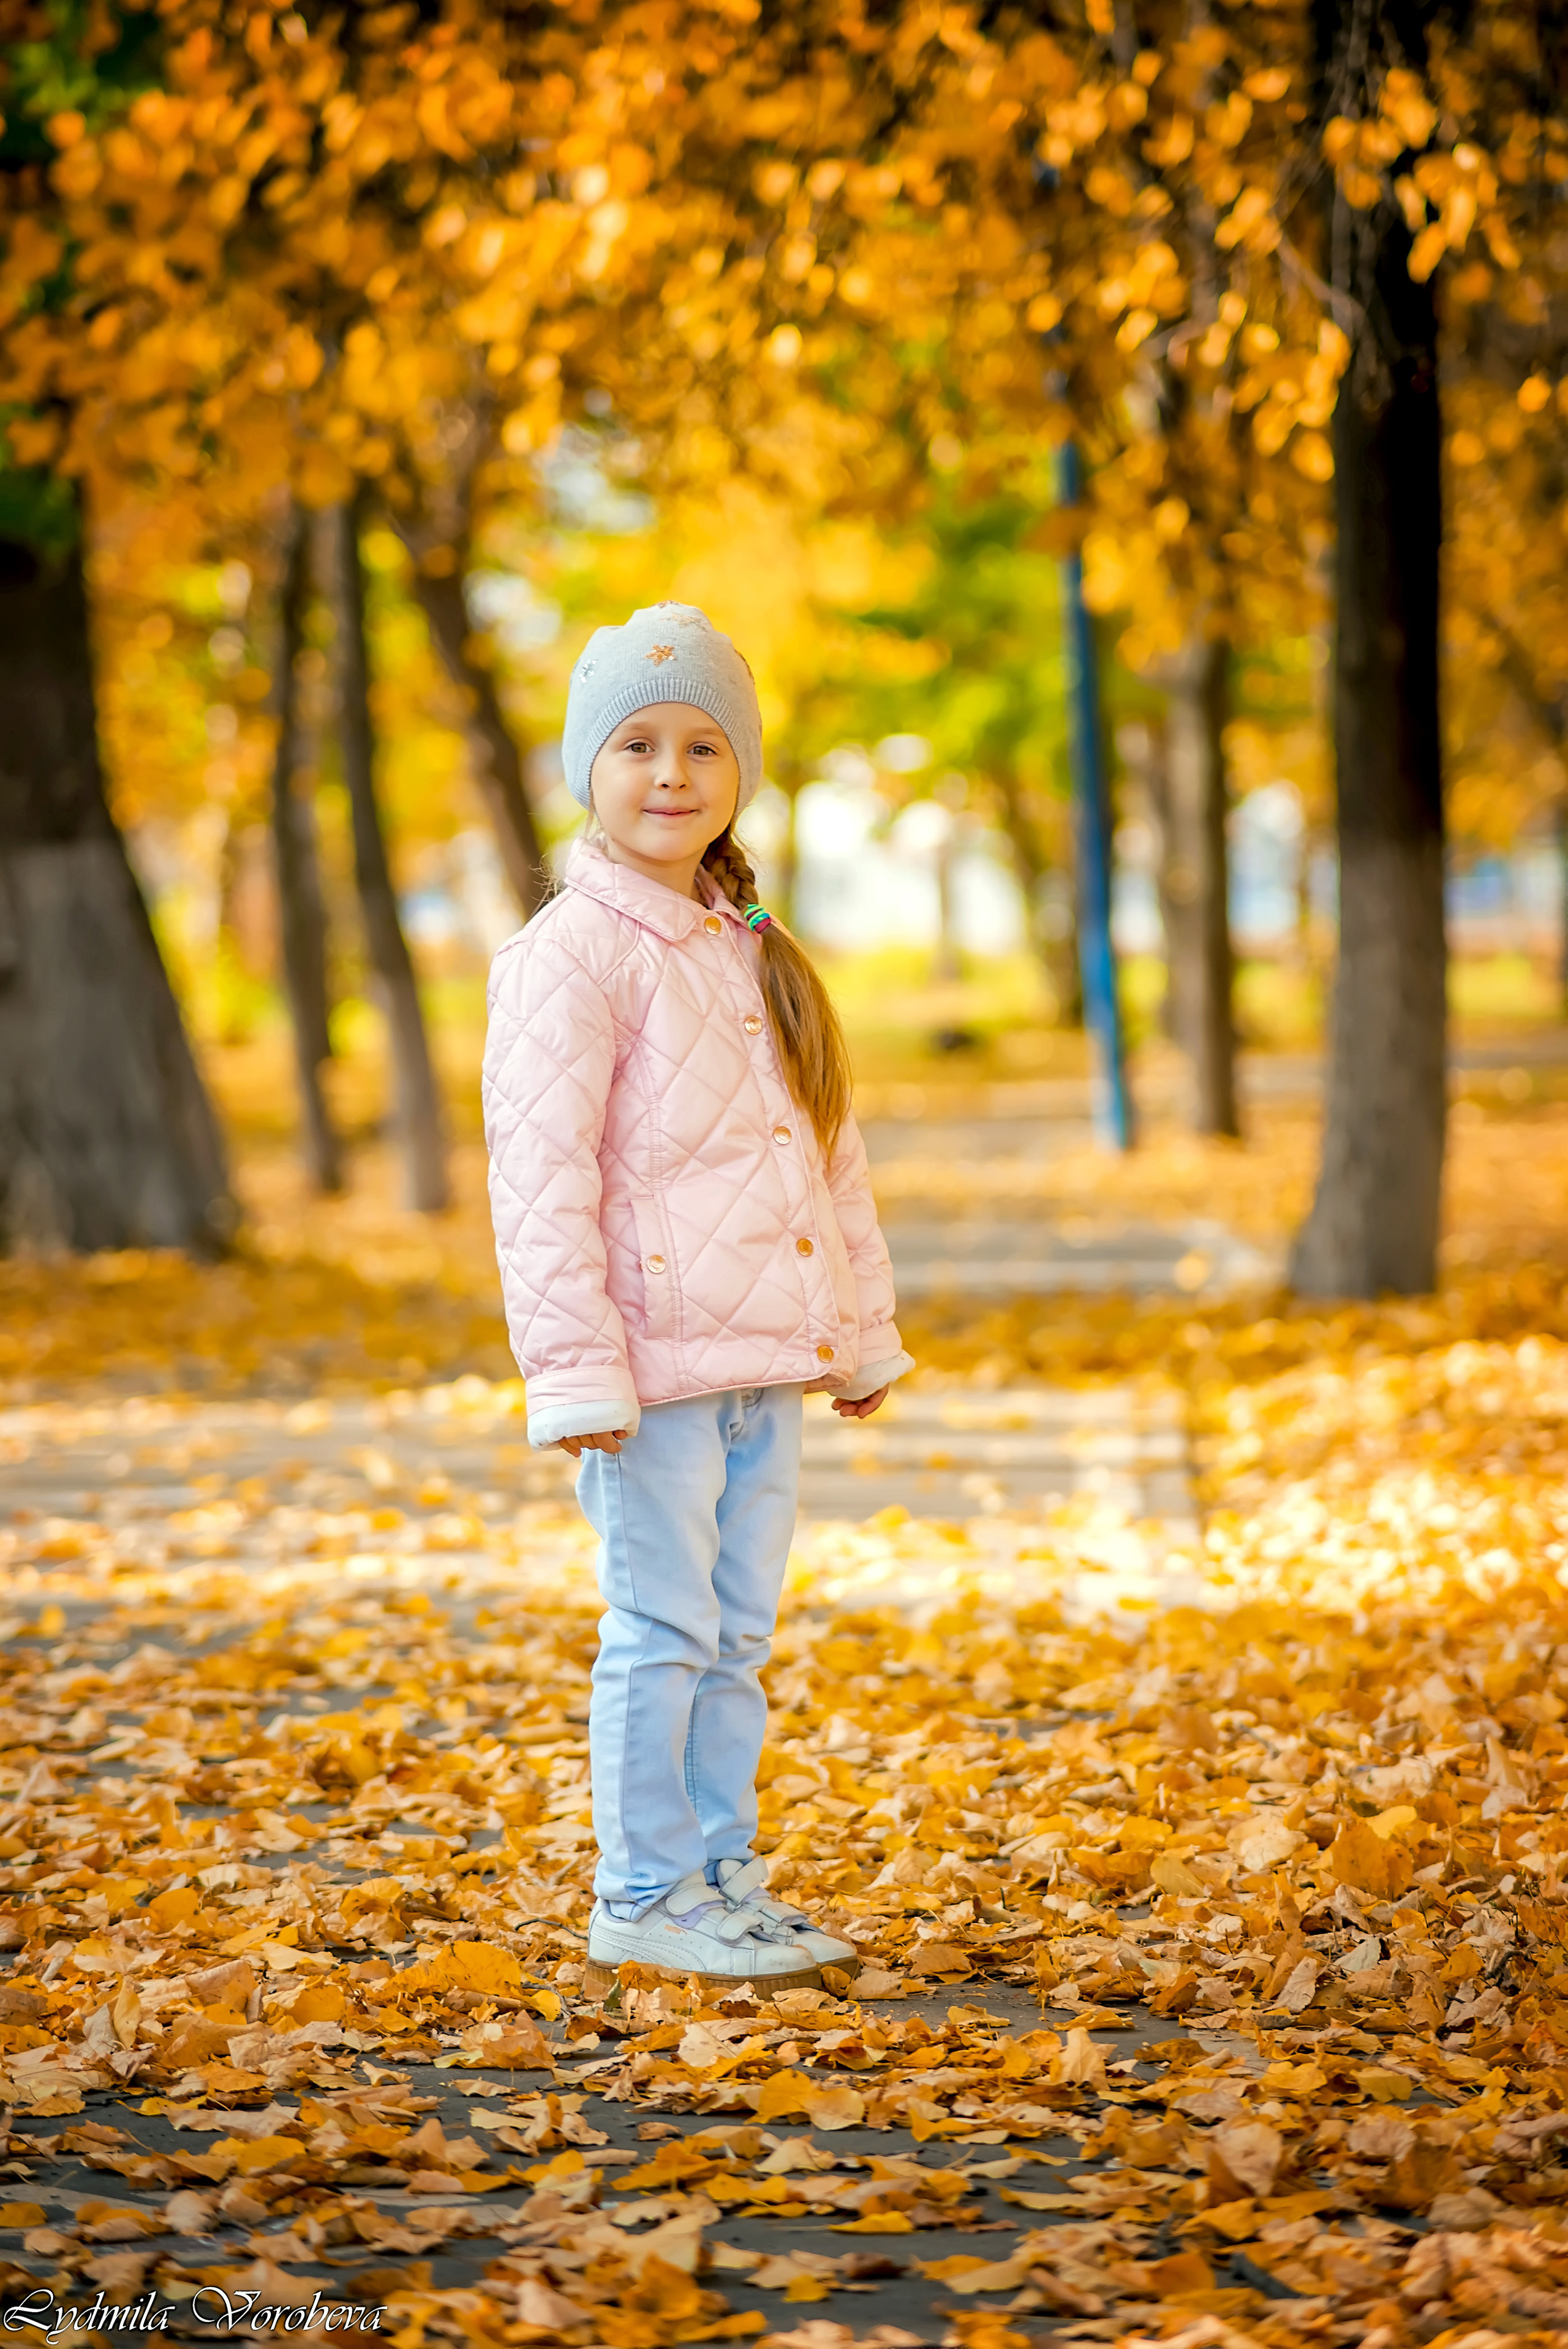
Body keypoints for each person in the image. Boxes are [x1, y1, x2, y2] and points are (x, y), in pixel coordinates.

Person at [483, 603, 914, 1990]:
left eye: (702, 746)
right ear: (588, 769)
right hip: (652, 1377)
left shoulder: (748, 945)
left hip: (761, 1370)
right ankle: (643, 1890)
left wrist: (859, 1334)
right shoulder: (570, 954)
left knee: (735, 1640)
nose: (670, 772)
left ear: (740, 772)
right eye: (637, 744)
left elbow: (823, 1155)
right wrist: (576, 1375)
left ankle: (720, 1875)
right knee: (661, 1632)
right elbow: (539, 1180)